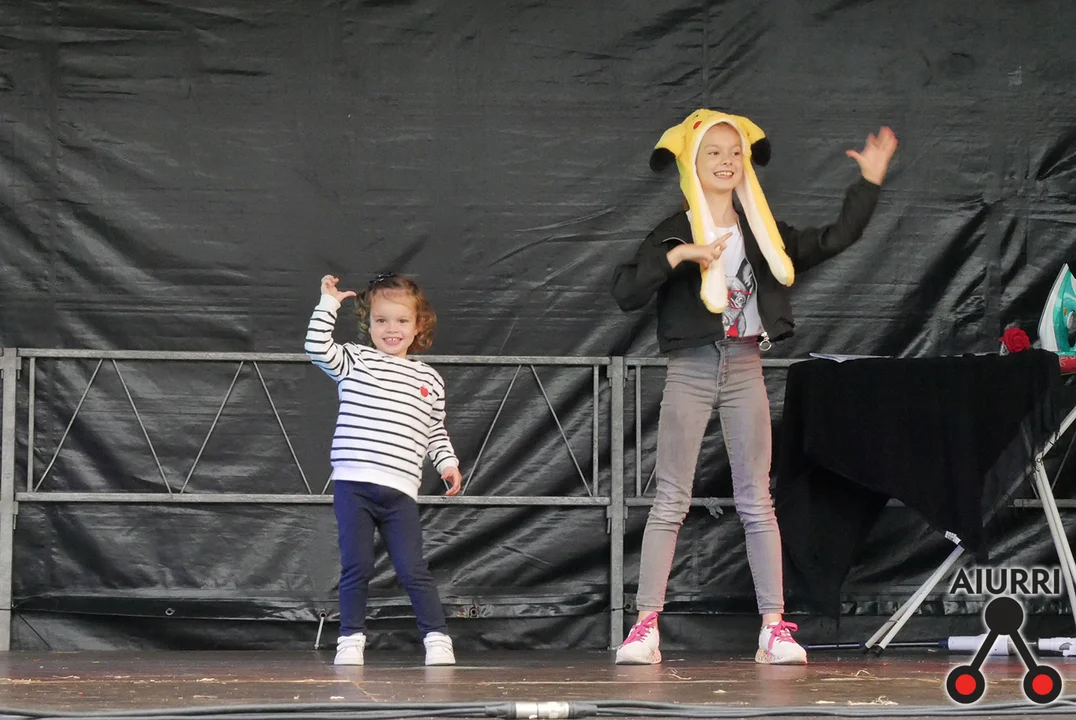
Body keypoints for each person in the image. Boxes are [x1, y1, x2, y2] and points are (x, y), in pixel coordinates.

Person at [610, 110, 897, 665]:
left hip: (745, 365)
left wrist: (869, 181)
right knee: (671, 497)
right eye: (713, 152)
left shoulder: (762, 231)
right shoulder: (674, 229)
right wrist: (680, 255)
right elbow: (625, 291)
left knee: (757, 499)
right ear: (692, 163)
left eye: (734, 152)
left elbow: (834, 238)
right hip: (691, 366)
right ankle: (645, 627)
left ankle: (773, 627)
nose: (726, 161)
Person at [305, 272, 464, 666]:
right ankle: (350, 639)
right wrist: (328, 304)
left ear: (419, 326)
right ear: (368, 323)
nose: (392, 329)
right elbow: (316, 347)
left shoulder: (429, 379)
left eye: (402, 320)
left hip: (400, 492)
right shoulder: (355, 361)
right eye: (381, 320)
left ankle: (437, 638)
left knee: (412, 568)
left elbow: (435, 429)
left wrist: (447, 463)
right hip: (354, 485)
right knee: (356, 565)